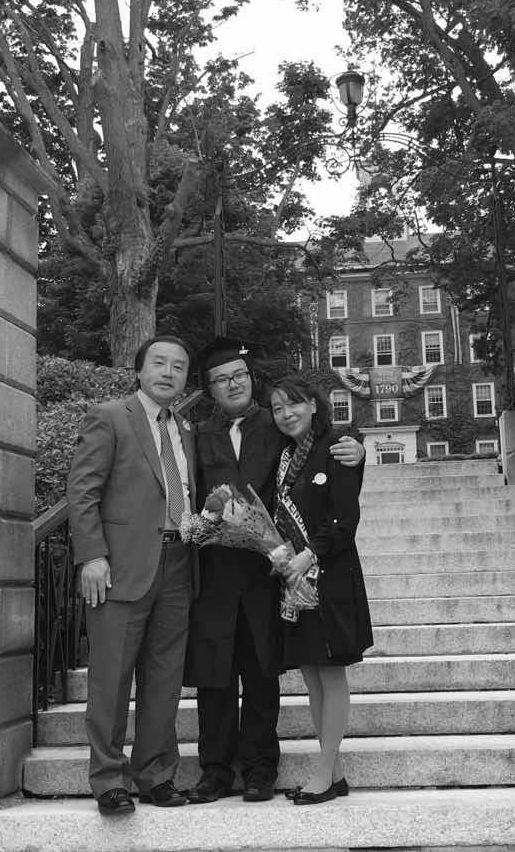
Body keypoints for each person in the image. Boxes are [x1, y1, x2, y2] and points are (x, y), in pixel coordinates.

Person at [185, 337, 365, 804]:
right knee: (215, 673)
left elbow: (324, 441)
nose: (233, 385)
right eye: (222, 380)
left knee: (263, 671)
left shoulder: (277, 423)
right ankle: (215, 770)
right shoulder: (197, 433)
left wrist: (358, 448)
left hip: (270, 571)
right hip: (218, 569)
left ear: (251, 380)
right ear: (209, 389)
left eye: (239, 377)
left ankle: (261, 768)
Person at [66, 335, 197, 816]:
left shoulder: (185, 428)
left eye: (179, 367)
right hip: (119, 568)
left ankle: (157, 774)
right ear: (139, 370)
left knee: (164, 679)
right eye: (159, 363)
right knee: (111, 677)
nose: (168, 372)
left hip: (179, 563)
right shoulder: (110, 416)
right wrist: (92, 556)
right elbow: (81, 491)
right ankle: (108, 779)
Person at [269, 375, 373, 805]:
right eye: (276, 408)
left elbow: (345, 521)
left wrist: (308, 556)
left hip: (330, 577)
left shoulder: (338, 446)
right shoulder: (285, 457)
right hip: (295, 582)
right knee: (312, 676)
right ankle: (335, 772)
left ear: (314, 405)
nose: (286, 413)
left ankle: (324, 774)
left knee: (331, 673)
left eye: (294, 404)